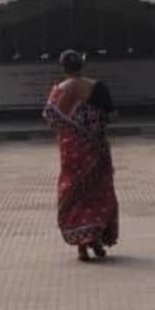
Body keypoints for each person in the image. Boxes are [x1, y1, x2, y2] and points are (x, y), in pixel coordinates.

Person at [42, 50, 119, 263]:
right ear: (82, 66)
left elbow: (50, 119)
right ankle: (95, 240)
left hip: (71, 153)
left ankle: (82, 246)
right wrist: (93, 122)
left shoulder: (58, 91)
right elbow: (113, 116)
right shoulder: (98, 87)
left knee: (75, 194)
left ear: (62, 67)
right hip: (96, 150)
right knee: (98, 193)